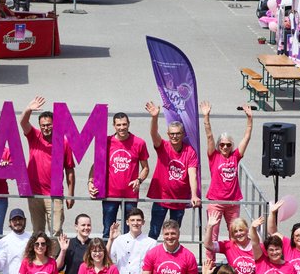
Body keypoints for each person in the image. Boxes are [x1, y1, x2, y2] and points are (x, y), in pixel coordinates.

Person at [20, 96, 75, 236]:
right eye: (43, 125)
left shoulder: (64, 142)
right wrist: (28, 109)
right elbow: (23, 122)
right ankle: (39, 258)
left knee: (56, 231)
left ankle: (54, 258)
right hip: (34, 192)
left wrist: (70, 194)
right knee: (37, 231)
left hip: (55, 194)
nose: (46, 128)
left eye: (49, 124)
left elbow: (69, 170)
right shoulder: (34, 136)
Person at [200, 100, 253, 246]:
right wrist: (206, 117)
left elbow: (246, 138)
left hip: (233, 202)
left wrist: (249, 119)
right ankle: (210, 264)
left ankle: (234, 262)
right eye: (222, 144)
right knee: (212, 234)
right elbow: (209, 136)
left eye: (228, 144)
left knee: (236, 234)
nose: (225, 147)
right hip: (216, 201)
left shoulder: (235, 156)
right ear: (218, 146)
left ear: (232, 146)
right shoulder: (214, 156)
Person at [144, 101, 200, 239]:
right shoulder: (163, 146)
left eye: (178, 134)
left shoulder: (190, 152)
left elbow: (192, 174)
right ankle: (151, 257)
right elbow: (153, 134)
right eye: (172, 134)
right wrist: (154, 117)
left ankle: (170, 256)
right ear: (168, 134)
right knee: (154, 232)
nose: (174, 136)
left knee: (173, 233)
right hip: (161, 197)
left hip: (179, 198)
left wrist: (194, 195)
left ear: (183, 134)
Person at [89, 112, 149, 238]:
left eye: (124, 124)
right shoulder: (106, 142)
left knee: (131, 231)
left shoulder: (139, 143)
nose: (122, 127)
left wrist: (139, 180)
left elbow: (145, 168)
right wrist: (90, 182)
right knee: (108, 229)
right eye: (119, 125)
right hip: (110, 195)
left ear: (129, 124)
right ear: (114, 126)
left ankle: (130, 257)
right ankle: (107, 257)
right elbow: (95, 166)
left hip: (130, 195)